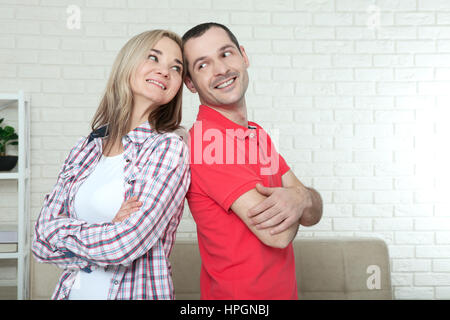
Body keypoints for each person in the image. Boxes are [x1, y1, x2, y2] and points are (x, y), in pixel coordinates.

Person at [31, 30, 190, 300]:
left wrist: (65, 232)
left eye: (176, 67)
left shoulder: (167, 148)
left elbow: (126, 243)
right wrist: (109, 226)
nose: (165, 71)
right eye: (153, 57)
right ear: (128, 62)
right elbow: (39, 240)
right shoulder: (84, 148)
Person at [182, 22, 323, 299]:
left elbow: (312, 213)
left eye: (225, 54)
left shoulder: (257, 135)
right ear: (190, 83)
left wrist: (301, 199)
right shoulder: (204, 143)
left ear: (243, 56)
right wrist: (298, 196)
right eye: (202, 65)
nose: (221, 70)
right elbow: (278, 235)